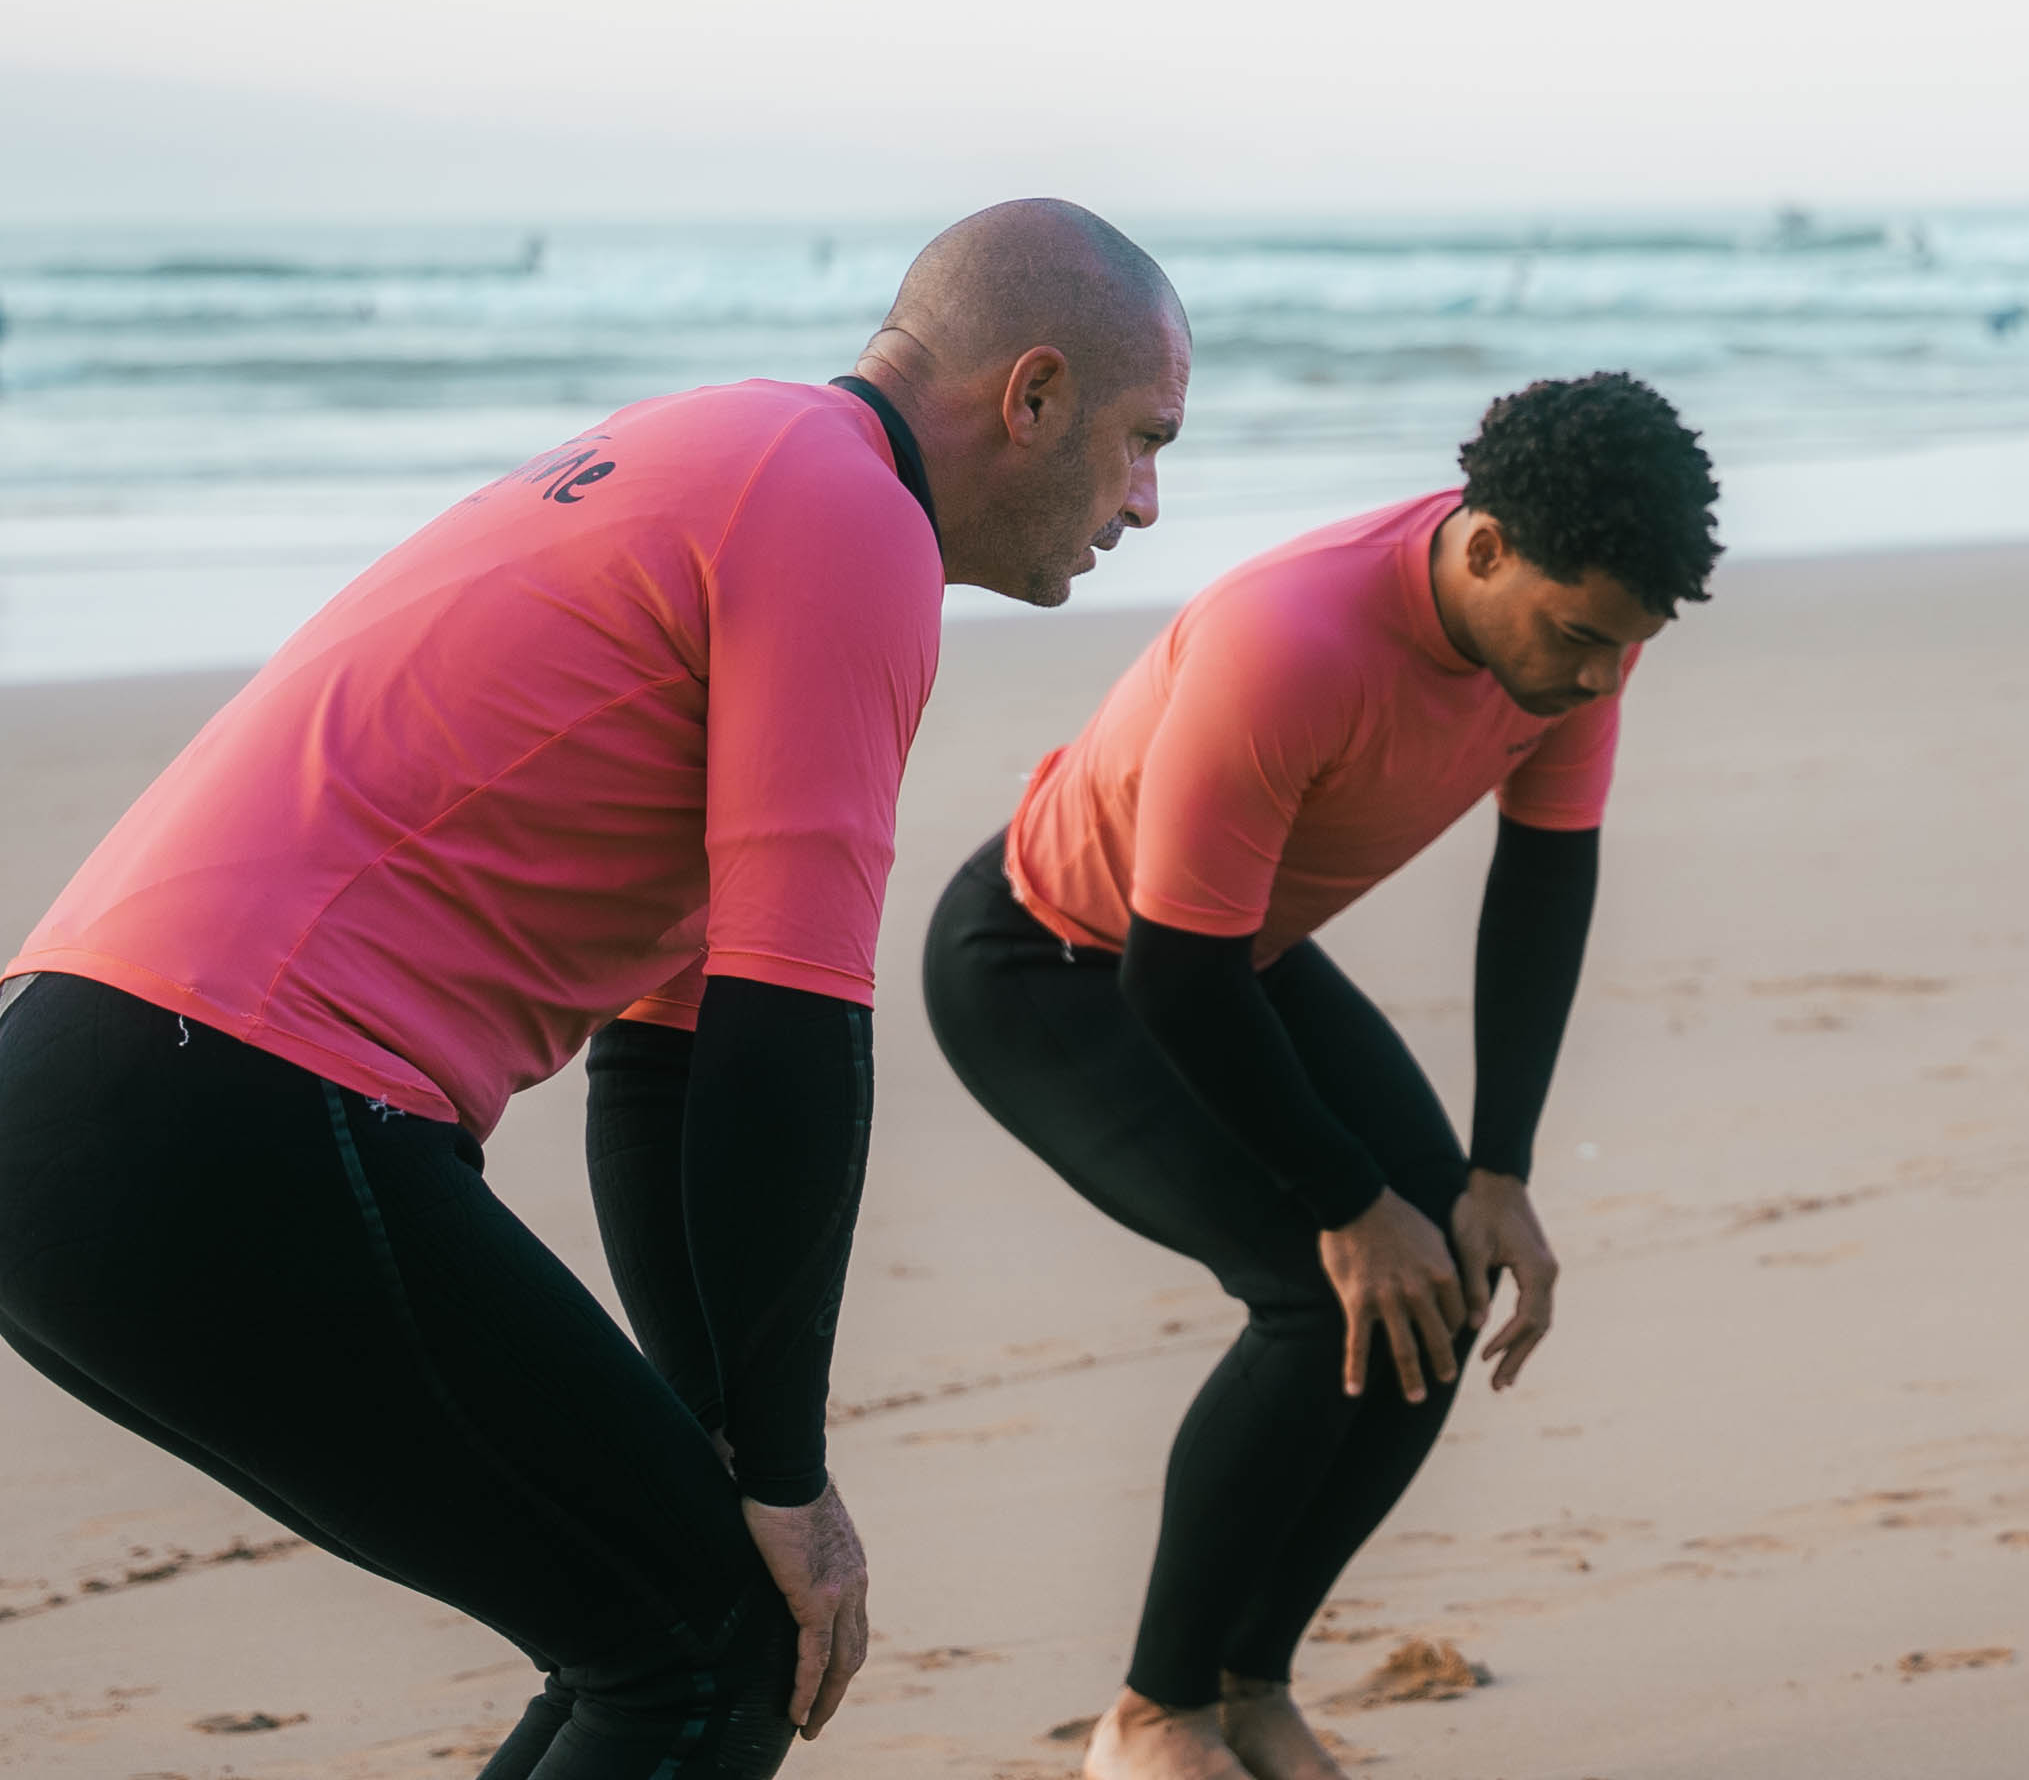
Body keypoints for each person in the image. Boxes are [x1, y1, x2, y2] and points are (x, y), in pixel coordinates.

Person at [0, 200, 1188, 1779]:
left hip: (85, 1086)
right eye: (1140, 439)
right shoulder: (851, 523)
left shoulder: (734, 449)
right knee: (714, 1650)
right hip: (227, 1101)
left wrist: (716, 1432)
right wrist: (783, 1478)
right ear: (1032, 394)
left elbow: (672, 1053)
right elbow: (793, 1034)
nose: (1153, 502)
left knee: (661, 1629)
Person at [921, 373, 1720, 1780]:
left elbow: (1544, 876)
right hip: (1052, 964)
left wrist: (1499, 1173)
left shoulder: (1587, 626)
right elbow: (1172, 977)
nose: (1600, 679)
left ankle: (1249, 1681)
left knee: (1444, 1273)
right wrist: (1351, 1199)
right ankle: (1151, 1716)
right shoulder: (1288, 641)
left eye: (1627, 648)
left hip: (1238, 944)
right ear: (1484, 550)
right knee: (1319, 1286)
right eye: (1585, 638)